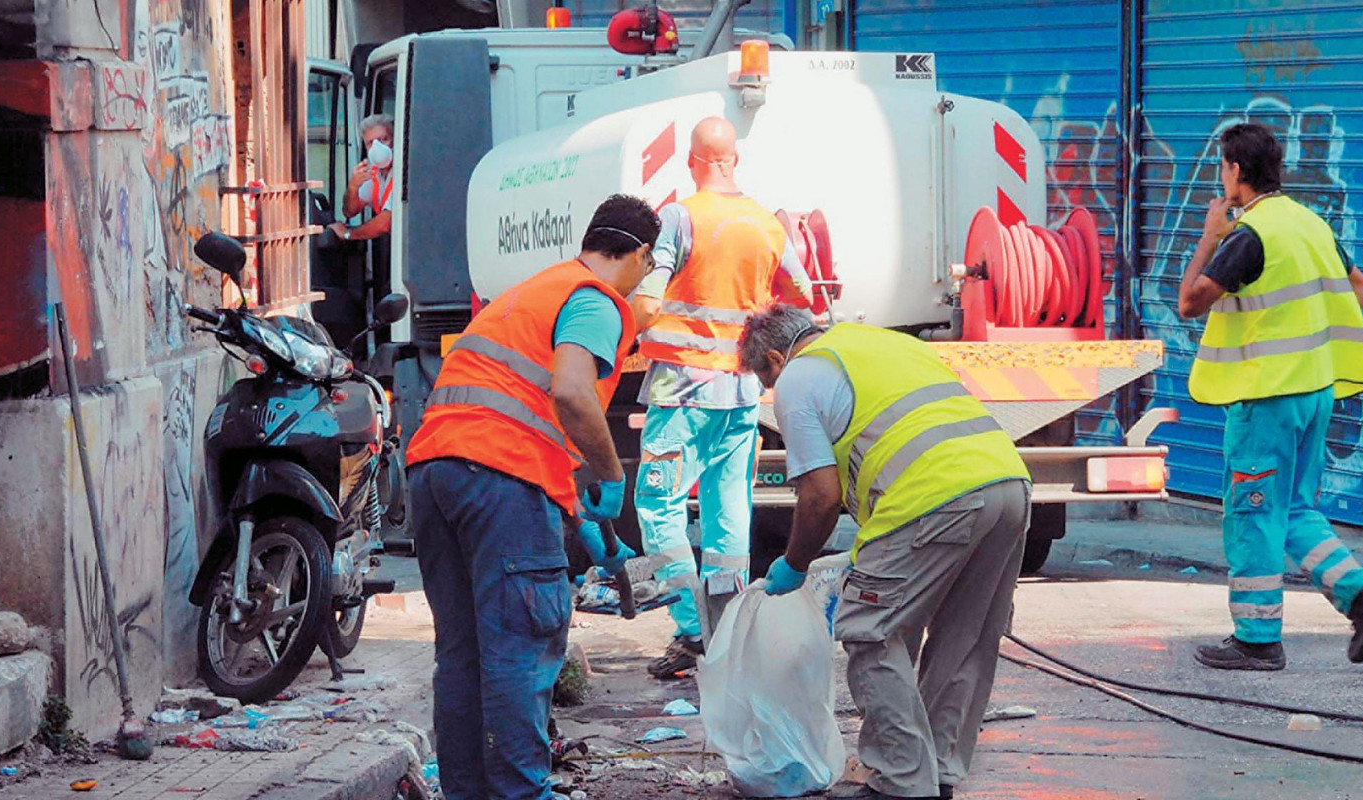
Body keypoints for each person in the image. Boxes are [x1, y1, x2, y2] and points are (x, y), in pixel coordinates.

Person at [404, 195, 660, 800]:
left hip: (434, 473)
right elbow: (571, 392)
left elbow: (519, 411)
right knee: (519, 651)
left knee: (463, 655)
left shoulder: (531, 292)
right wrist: (610, 475)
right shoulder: (597, 301)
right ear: (642, 254)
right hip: (500, 480)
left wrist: (576, 507)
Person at [741, 305, 1030, 800]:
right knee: (963, 638)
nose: (772, 391)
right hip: (1009, 485)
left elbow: (820, 495)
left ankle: (900, 784)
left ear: (774, 357)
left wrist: (794, 563)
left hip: (934, 497)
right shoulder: (884, 342)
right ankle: (936, 776)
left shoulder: (797, 377)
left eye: (765, 378)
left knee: (867, 628)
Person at [1177, 122, 1363, 671]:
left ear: (1235, 171)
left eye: (1220, 168)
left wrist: (1209, 235)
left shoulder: (1250, 235)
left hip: (1266, 397)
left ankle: (1257, 638)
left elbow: (1189, 303)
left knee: (1252, 513)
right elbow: (1361, 289)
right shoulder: (1311, 224)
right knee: (1291, 507)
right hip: (1315, 390)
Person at [631, 116, 812, 679]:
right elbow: (803, 296)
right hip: (740, 394)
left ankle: (692, 628)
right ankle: (728, 625)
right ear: (734, 161)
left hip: (682, 391)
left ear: (693, 162)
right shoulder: (766, 224)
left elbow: (649, 294)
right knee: (728, 508)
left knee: (658, 505)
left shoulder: (679, 218)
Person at [328, 114, 396, 242]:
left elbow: (385, 223)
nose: (377, 146)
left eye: (383, 139)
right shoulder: (374, 173)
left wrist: (348, 234)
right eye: (370, 143)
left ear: (394, 140)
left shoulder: (404, 172)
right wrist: (353, 187)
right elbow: (350, 211)